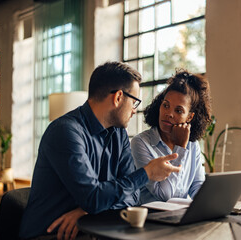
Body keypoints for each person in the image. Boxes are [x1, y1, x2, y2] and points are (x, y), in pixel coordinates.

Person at [19, 62, 181, 240]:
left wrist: (86, 211)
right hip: (48, 234)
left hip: (90, 230)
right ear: (118, 97)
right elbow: (94, 198)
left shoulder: (119, 134)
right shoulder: (65, 132)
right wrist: (146, 173)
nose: (135, 111)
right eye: (134, 102)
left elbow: (133, 197)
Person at [131, 69, 212, 204]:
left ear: (190, 117)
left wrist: (210, 204)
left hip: (180, 218)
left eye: (178, 110)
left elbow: (197, 186)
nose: (169, 114)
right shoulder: (141, 143)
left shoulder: (192, 145)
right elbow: (165, 195)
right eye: (166, 105)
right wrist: (179, 148)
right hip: (152, 219)